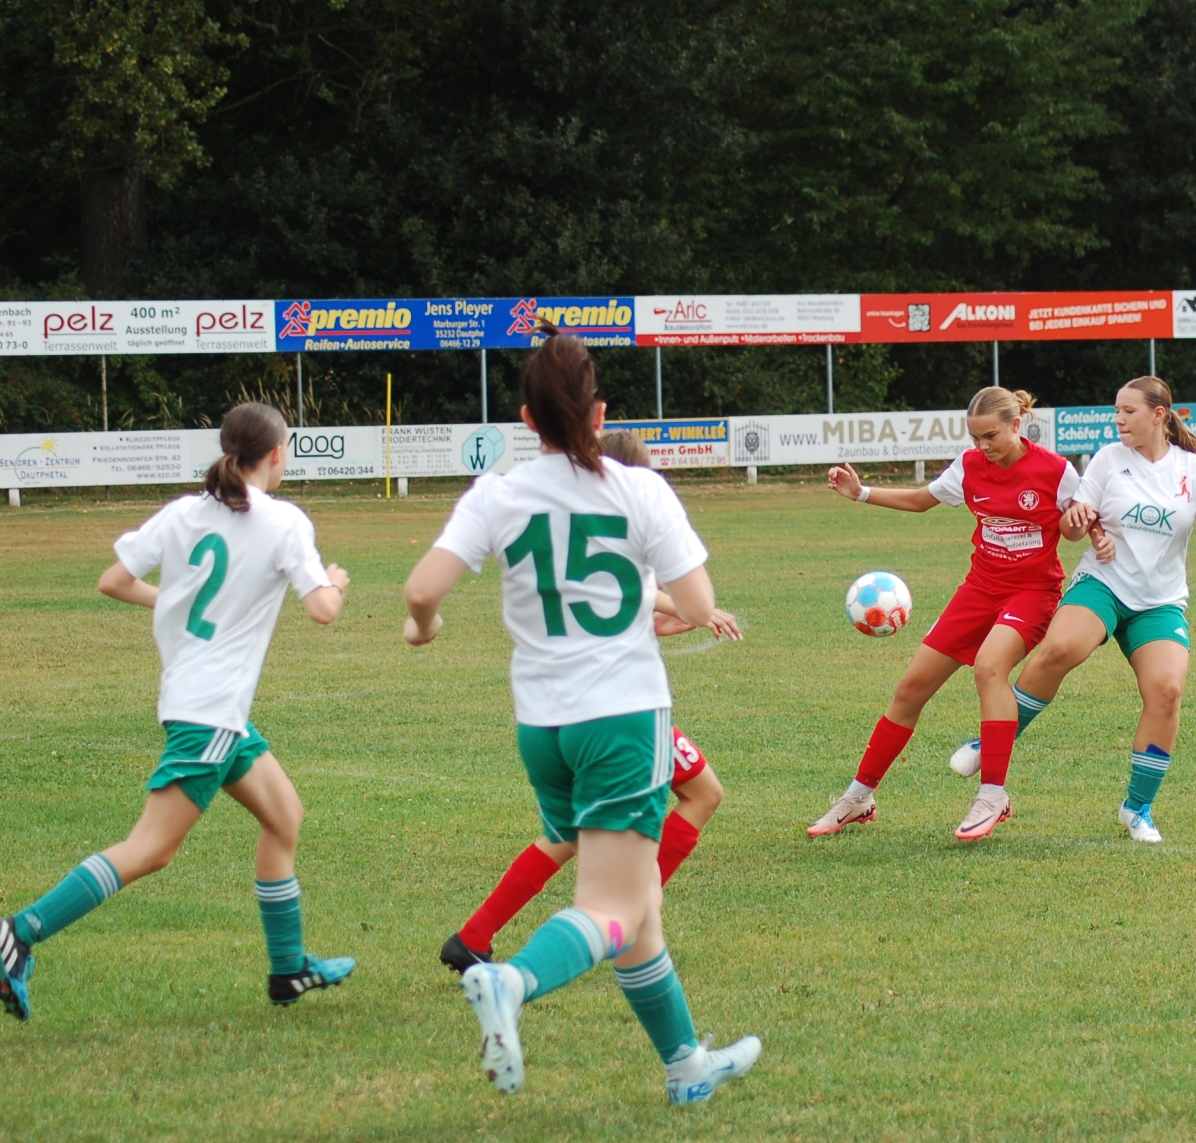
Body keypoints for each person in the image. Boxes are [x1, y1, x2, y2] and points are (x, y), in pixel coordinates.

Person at [401, 329, 758, 1102]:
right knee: (613, 907)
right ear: (598, 413)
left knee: (638, 912)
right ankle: (512, 982)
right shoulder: (638, 490)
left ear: (527, 419)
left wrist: (424, 628)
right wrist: (660, 602)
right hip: (622, 718)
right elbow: (697, 601)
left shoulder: (498, 493)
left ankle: (686, 1067)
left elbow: (422, 591)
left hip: (543, 728)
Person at [0, 403, 356, 1021]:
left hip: (204, 706)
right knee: (151, 848)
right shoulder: (283, 521)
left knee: (284, 816)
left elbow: (113, 580)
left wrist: (176, 601)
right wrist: (335, 580)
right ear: (276, 453)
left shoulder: (184, 512)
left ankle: (288, 969)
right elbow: (322, 609)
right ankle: (18, 934)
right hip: (211, 712)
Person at [438, 427, 739, 975]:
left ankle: (474, 935)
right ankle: (633, 913)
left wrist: (670, 618)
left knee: (573, 833)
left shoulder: (570, 523)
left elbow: (631, 606)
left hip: (559, 711)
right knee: (701, 794)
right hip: (622, 714)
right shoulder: (631, 519)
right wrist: (693, 610)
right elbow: (645, 595)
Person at [955, 377, 1196, 844]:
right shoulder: (1108, 459)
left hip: (1160, 602)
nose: (1119, 420)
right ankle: (994, 742)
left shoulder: (1194, 469)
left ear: (1158, 415)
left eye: (1129, 411)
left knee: (1167, 691)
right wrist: (1078, 520)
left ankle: (1137, 808)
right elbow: (1075, 524)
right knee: (1059, 649)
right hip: (1103, 585)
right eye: (1116, 412)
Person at [808, 387, 1084, 842]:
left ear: (1017, 425)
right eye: (975, 437)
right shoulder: (970, 466)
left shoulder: (1057, 472)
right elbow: (922, 499)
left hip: (1032, 594)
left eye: (991, 436)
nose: (982, 446)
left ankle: (992, 795)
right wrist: (860, 493)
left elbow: (1075, 531)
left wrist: (1078, 526)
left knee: (989, 667)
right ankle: (859, 797)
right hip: (979, 589)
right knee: (911, 687)